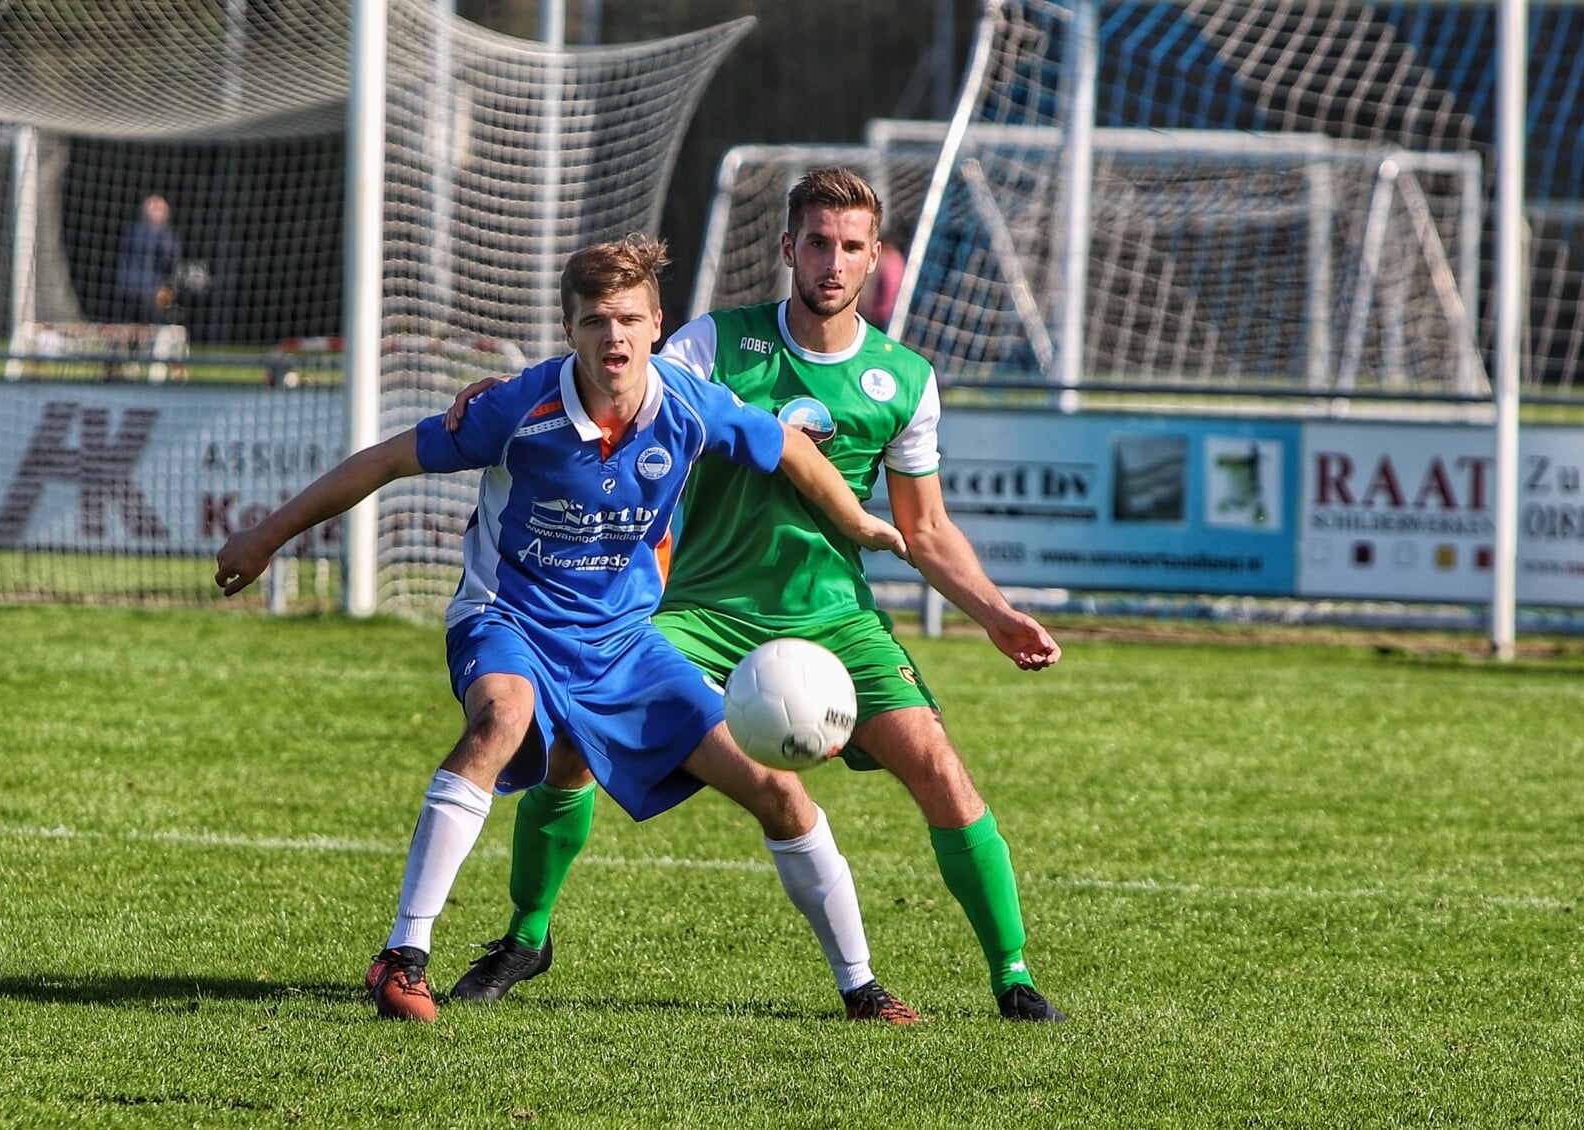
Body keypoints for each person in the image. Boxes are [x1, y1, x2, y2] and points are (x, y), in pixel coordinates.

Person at [216, 234, 919, 1025]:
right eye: (593, 321)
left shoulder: (690, 406)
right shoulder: (517, 408)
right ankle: (403, 956)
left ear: (657, 325)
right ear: (570, 329)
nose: (611, 337)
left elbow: (787, 444)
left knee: (777, 791)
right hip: (507, 619)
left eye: (627, 319)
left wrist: (857, 519)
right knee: (503, 719)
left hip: (622, 646)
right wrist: (265, 536)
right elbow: (383, 462)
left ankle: (861, 988)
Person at [445, 168, 1069, 1022]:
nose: (833, 261)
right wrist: (505, 397)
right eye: (817, 242)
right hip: (700, 609)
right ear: (787, 249)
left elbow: (925, 530)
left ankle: (1014, 976)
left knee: (940, 767)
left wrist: (996, 613)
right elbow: (612, 374)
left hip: (835, 619)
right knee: (571, 743)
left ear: (873, 258)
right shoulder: (715, 344)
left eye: (851, 246)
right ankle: (527, 934)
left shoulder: (905, 379)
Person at [116, 194, 180, 325]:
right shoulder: (155, 233)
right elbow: (169, 258)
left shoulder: (134, 230)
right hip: (146, 290)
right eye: (156, 208)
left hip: (132, 288)